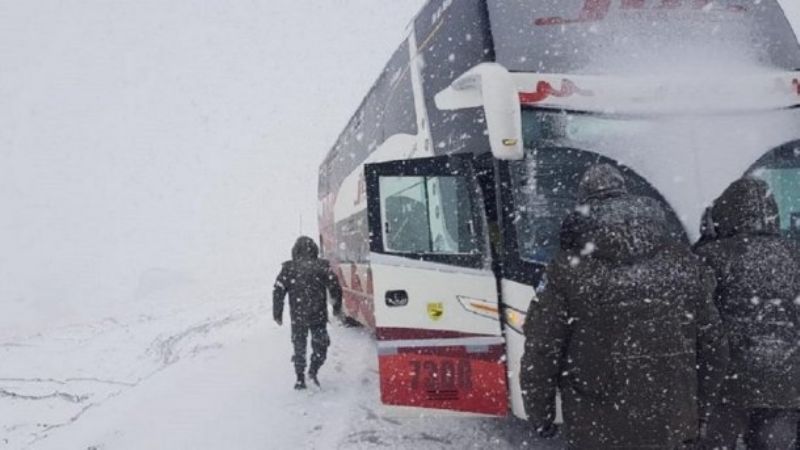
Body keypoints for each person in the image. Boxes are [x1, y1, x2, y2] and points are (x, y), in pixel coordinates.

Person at [520, 164, 729, 449]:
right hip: (670, 422)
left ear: (583, 205)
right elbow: (713, 348)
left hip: (595, 423)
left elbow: (542, 349)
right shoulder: (683, 265)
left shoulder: (566, 270)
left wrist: (540, 414)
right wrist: (698, 413)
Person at [695, 177, 800, 449]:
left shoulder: (712, 255)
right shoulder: (793, 254)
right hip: (785, 379)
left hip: (728, 379)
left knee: (716, 443)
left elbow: (697, 315)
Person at [273, 236, 342, 390]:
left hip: (298, 317)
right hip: (318, 316)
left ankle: (300, 378)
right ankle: (313, 370)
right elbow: (335, 287)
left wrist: (277, 314)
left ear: (295, 251)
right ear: (315, 250)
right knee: (321, 347)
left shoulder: (288, 268)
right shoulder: (321, 266)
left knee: (299, 347)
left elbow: (278, 290)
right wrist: (337, 308)